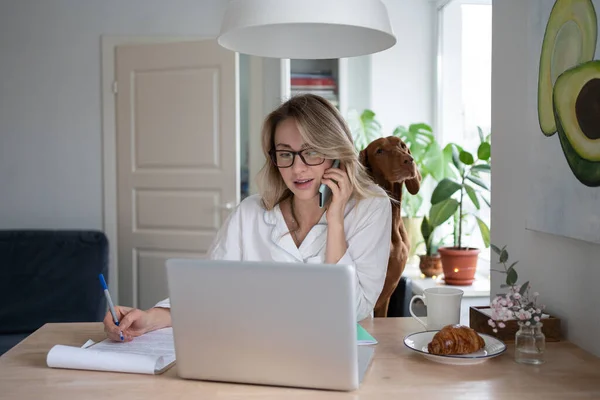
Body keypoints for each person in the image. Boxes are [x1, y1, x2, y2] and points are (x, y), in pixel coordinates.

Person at [104, 94, 392, 342]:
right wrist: (150, 318)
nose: (297, 168)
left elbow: (352, 309)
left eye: (311, 152)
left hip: (338, 355)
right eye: (285, 154)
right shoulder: (250, 212)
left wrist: (336, 222)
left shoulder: (371, 208)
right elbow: (207, 291)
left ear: (336, 155)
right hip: (255, 350)